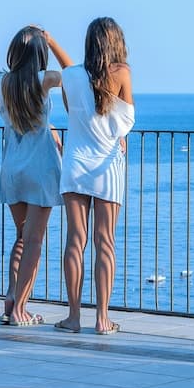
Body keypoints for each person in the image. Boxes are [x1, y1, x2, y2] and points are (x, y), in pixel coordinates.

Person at [54, 17, 134, 335]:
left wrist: (51, 42)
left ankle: (74, 317)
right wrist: (118, 134)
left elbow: (72, 109)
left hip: (75, 164)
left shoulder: (70, 76)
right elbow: (126, 121)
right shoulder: (121, 72)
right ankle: (102, 319)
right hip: (107, 168)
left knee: (76, 240)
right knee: (105, 243)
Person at [0, 25, 72, 326]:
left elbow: (15, 118)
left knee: (21, 237)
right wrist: (51, 40)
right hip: (40, 168)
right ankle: (20, 310)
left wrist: (46, 125)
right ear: (39, 53)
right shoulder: (44, 80)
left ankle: (11, 298)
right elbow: (73, 73)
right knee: (34, 241)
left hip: (12, 168)